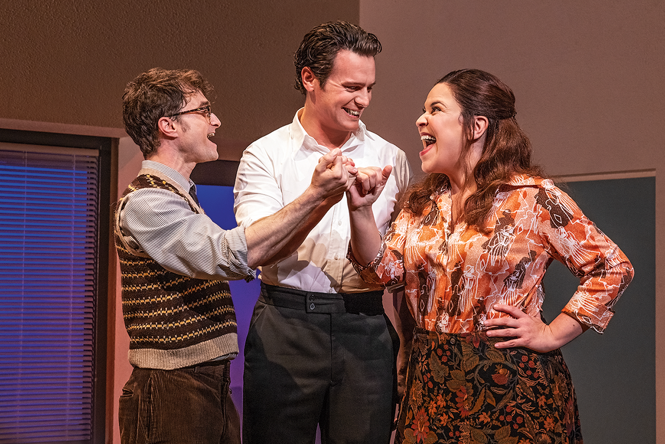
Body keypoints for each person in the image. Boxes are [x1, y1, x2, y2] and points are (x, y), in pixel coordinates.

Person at [346, 69, 634, 444]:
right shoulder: (421, 204)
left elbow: (612, 266)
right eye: (423, 110)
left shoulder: (532, 197)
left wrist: (551, 334)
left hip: (510, 385)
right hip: (432, 382)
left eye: (435, 109)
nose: (421, 119)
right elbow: (382, 275)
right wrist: (359, 211)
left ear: (476, 125)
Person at [115, 67, 358, 444]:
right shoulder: (147, 202)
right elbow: (226, 254)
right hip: (172, 387)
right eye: (203, 110)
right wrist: (314, 194)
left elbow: (251, 252)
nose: (216, 121)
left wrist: (325, 198)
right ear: (169, 126)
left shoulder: (178, 196)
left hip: (203, 379)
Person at [233, 21, 413, 444]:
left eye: (370, 88)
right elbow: (255, 248)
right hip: (286, 322)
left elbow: (404, 263)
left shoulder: (391, 157)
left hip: (367, 324)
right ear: (309, 79)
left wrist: (407, 340)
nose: (363, 100)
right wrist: (318, 196)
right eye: (351, 87)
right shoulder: (266, 154)